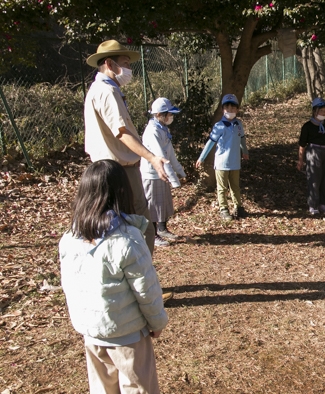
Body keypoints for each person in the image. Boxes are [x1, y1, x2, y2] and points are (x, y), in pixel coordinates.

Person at [59, 160, 169, 393]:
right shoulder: (127, 239)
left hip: (92, 333)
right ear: (123, 191)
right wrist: (157, 321)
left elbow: (69, 286)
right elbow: (146, 289)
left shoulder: (69, 238)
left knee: (102, 388)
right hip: (127, 336)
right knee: (138, 388)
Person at [84, 39, 172, 301]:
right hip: (119, 170)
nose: (128, 69)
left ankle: (125, 287)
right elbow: (121, 133)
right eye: (125, 64)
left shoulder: (98, 89)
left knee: (117, 228)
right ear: (109, 64)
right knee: (141, 226)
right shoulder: (107, 92)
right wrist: (152, 157)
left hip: (105, 169)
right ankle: (142, 288)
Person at [141, 98, 186, 247]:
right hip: (152, 174)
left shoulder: (163, 128)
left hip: (163, 174)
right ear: (160, 114)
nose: (171, 117)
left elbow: (170, 153)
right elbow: (160, 156)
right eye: (168, 114)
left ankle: (162, 229)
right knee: (153, 205)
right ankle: (153, 235)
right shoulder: (152, 131)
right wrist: (174, 180)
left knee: (163, 203)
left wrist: (180, 171)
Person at [196, 94, 249, 221]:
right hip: (221, 163)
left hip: (235, 162)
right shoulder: (219, 126)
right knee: (222, 188)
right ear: (222, 109)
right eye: (227, 108)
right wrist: (201, 158)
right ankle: (223, 209)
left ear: (237, 109)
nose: (230, 110)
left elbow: (242, 139)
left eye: (233, 108)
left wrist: (245, 151)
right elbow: (210, 142)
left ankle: (238, 207)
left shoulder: (238, 124)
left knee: (235, 186)